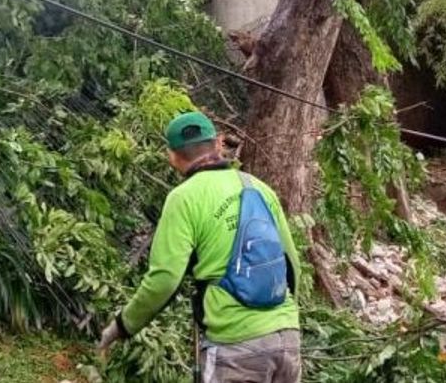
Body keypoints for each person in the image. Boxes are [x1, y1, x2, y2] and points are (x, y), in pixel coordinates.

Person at [97, 111, 302, 382]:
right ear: (218, 143)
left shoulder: (183, 198)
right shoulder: (259, 188)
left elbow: (164, 280)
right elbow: (293, 265)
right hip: (287, 338)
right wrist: (280, 320)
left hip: (235, 345)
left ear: (171, 156)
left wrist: (121, 327)